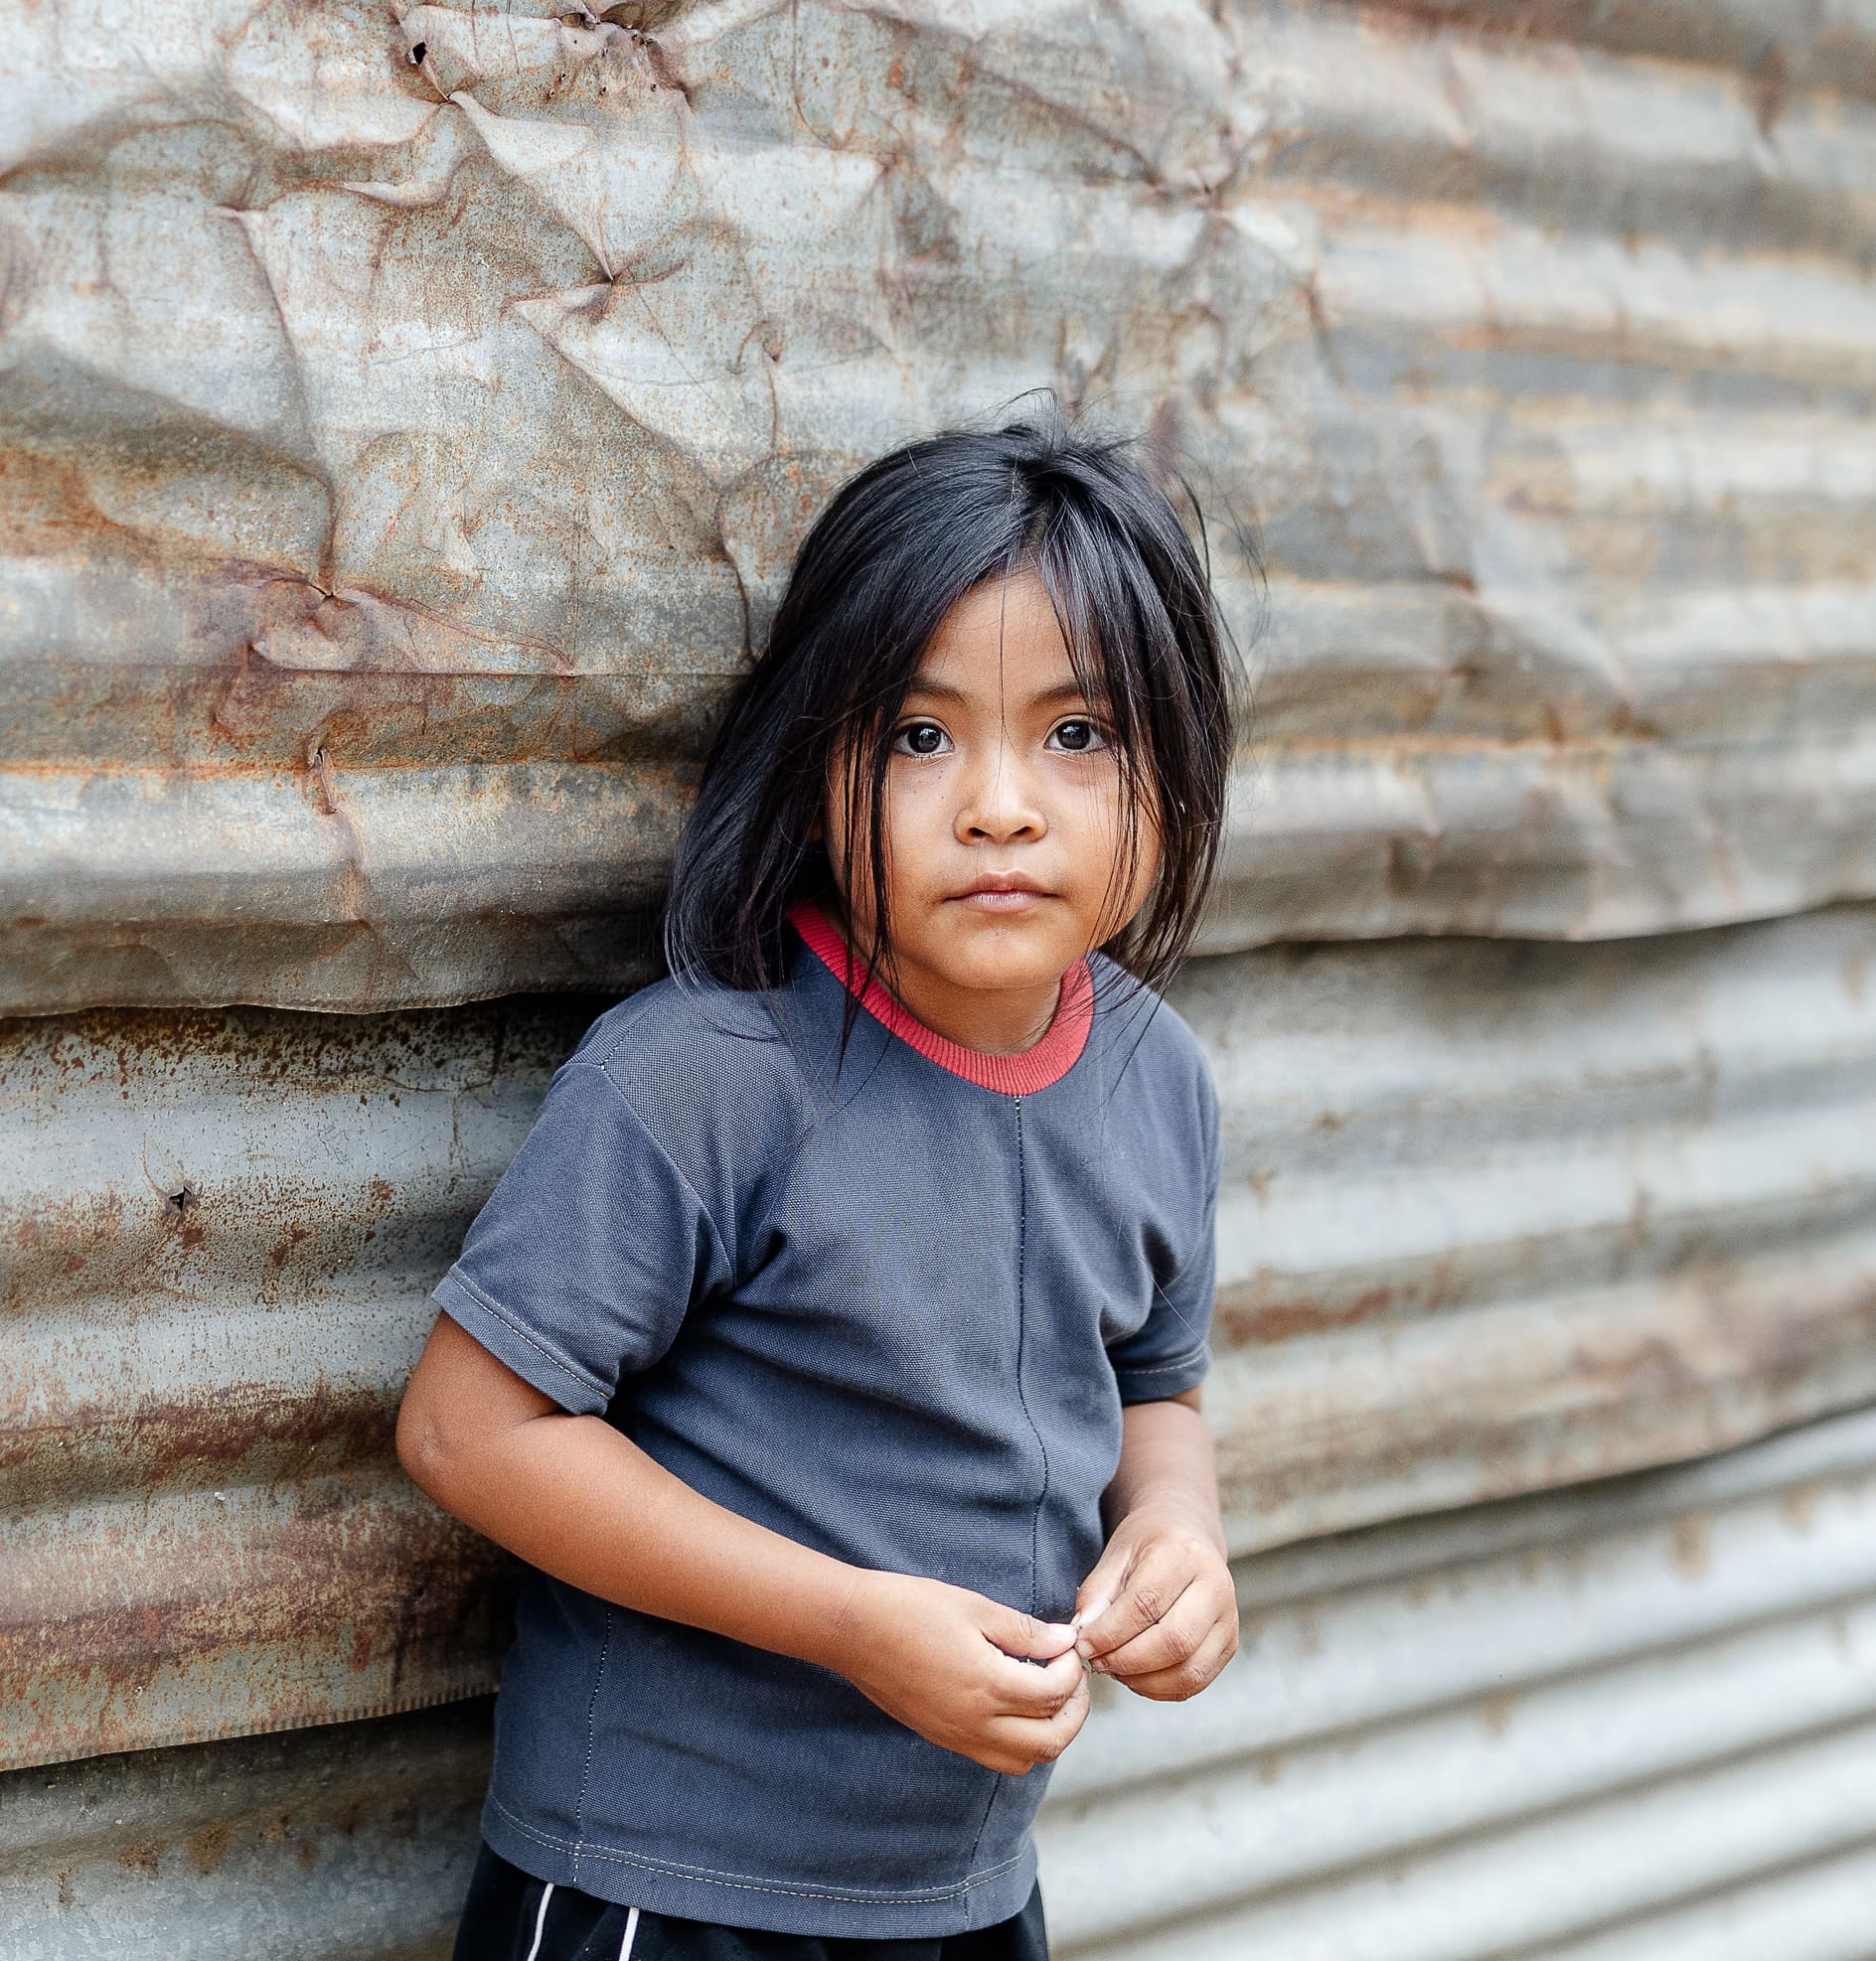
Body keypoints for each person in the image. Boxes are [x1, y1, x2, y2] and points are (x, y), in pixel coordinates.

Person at [395, 413, 1243, 1961]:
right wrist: (854, 1622)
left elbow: (1153, 1386)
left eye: (1078, 734)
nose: (1001, 804)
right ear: (812, 761)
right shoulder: (706, 1078)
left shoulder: (1157, 1080)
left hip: (965, 1894)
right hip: (668, 1887)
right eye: (921, 736)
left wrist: (1177, 1534)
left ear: (1172, 767)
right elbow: (468, 1428)